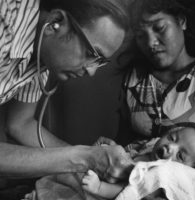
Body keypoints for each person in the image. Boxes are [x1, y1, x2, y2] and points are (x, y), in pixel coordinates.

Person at [0, 0, 132, 183]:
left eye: (100, 62)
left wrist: (93, 163)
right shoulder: (4, 26)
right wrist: (83, 158)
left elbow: (20, 124)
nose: (91, 71)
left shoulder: (42, 56)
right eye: (92, 54)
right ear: (56, 22)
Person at [116, 0, 195, 146]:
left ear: (181, 21)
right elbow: (123, 142)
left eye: (159, 28)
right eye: (140, 35)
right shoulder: (134, 79)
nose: (150, 43)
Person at [82, 124, 195, 199]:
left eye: (180, 155)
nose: (170, 146)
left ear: (187, 173)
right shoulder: (151, 145)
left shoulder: (160, 179)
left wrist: (99, 188)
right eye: (172, 138)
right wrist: (118, 150)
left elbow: (131, 192)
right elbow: (132, 153)